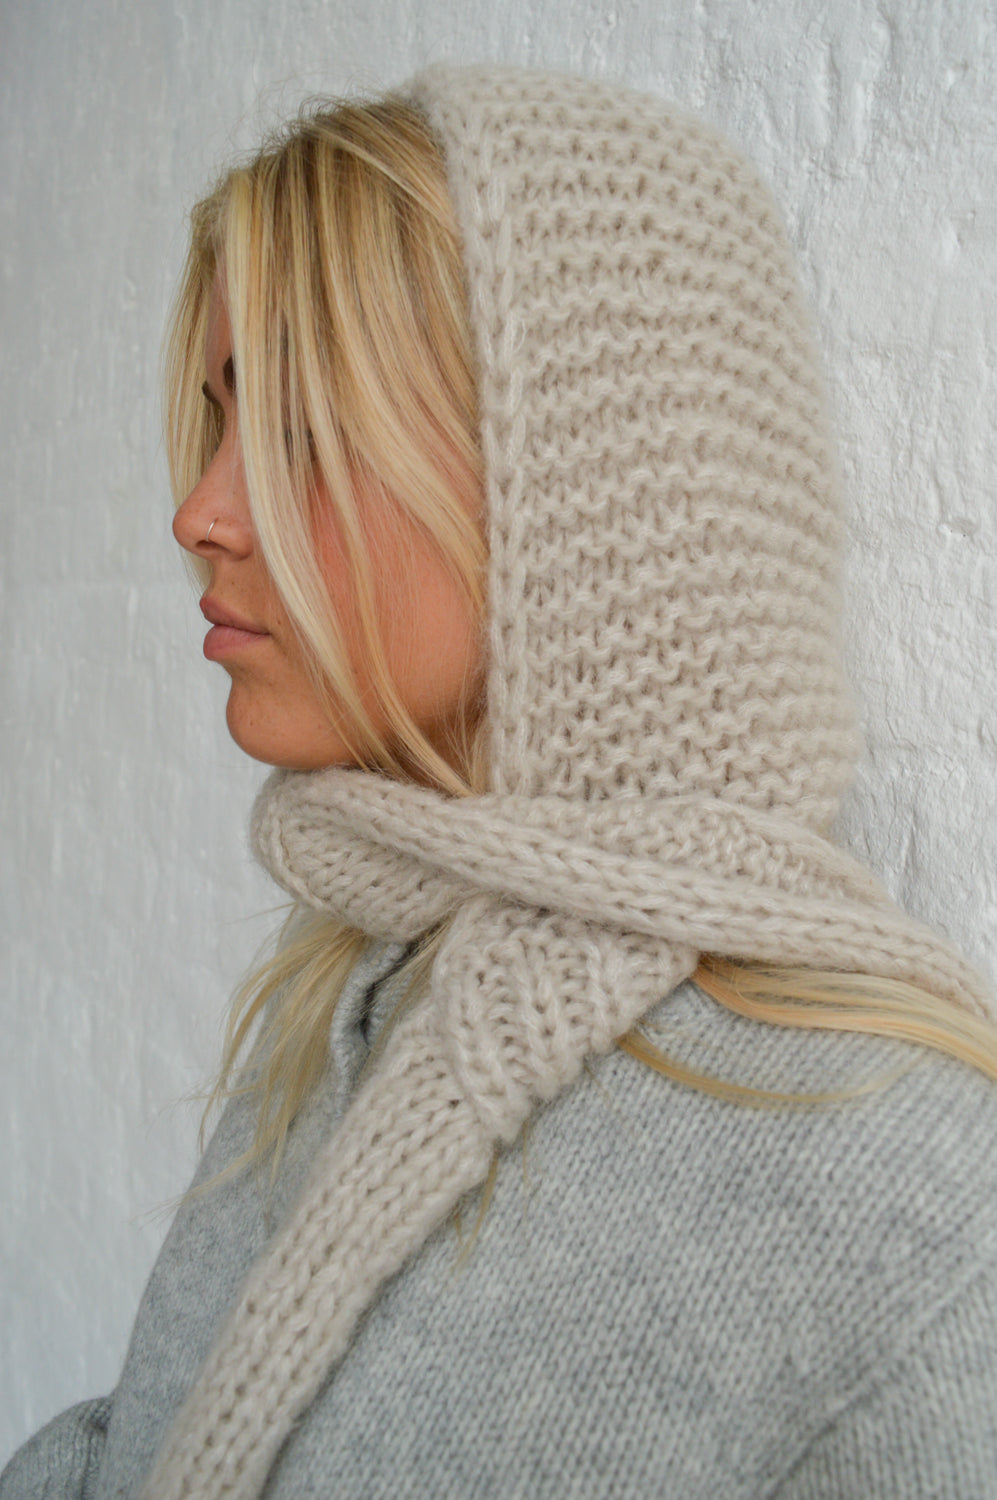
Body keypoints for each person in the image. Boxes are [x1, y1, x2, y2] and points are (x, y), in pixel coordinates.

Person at [4, 62, 997, 1500]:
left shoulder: (906, 1195)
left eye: (296, 429)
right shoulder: (351, 995)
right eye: (220, 422)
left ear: (587, 486)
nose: (200, 511)